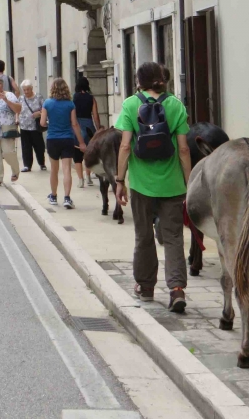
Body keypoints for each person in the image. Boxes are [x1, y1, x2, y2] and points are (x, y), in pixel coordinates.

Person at [115, 61, 191, 314]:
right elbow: (183, 148)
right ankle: (177, 289)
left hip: (140, 184)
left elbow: (125, 146)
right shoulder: (176, 105)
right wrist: (188, 182)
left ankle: (146, 287)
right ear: (161, 79)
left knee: (143, 235)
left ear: (139, 81)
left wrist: (119, 180)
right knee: (173, 237)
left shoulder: (130, 104)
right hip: (172, 183)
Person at [41, 78, 87, 209]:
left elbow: (42, 123)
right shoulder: (70, 104)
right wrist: (82, 142)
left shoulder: (47, 103)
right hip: (67, 138)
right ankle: (67, 198)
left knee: (54, 170)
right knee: (66, 169)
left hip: (52, 139)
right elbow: (74, 124)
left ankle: (54, 196)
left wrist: (52, 122)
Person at [73, 76, 103, 186]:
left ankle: (81, 180)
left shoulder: (73, 98)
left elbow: (71, 115)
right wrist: (98, 128)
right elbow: (95, 115)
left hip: (77, 126)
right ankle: (88, 177)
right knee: (89, 153)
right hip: (89, 126)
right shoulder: (91, 98)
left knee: (77, 155)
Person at [18, 80, 46, 172]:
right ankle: (27, 165)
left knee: (39, 146)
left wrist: (39, 113)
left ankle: (42, 163)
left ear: (31, 88)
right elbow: (18, 109)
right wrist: (16, 119)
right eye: (24, 90)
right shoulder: (21, 98)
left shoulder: (38, 97)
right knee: (26, 146)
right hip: (24, 126)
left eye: (28, 89)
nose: (26, 92)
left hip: (35, 126)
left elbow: (45, 109)